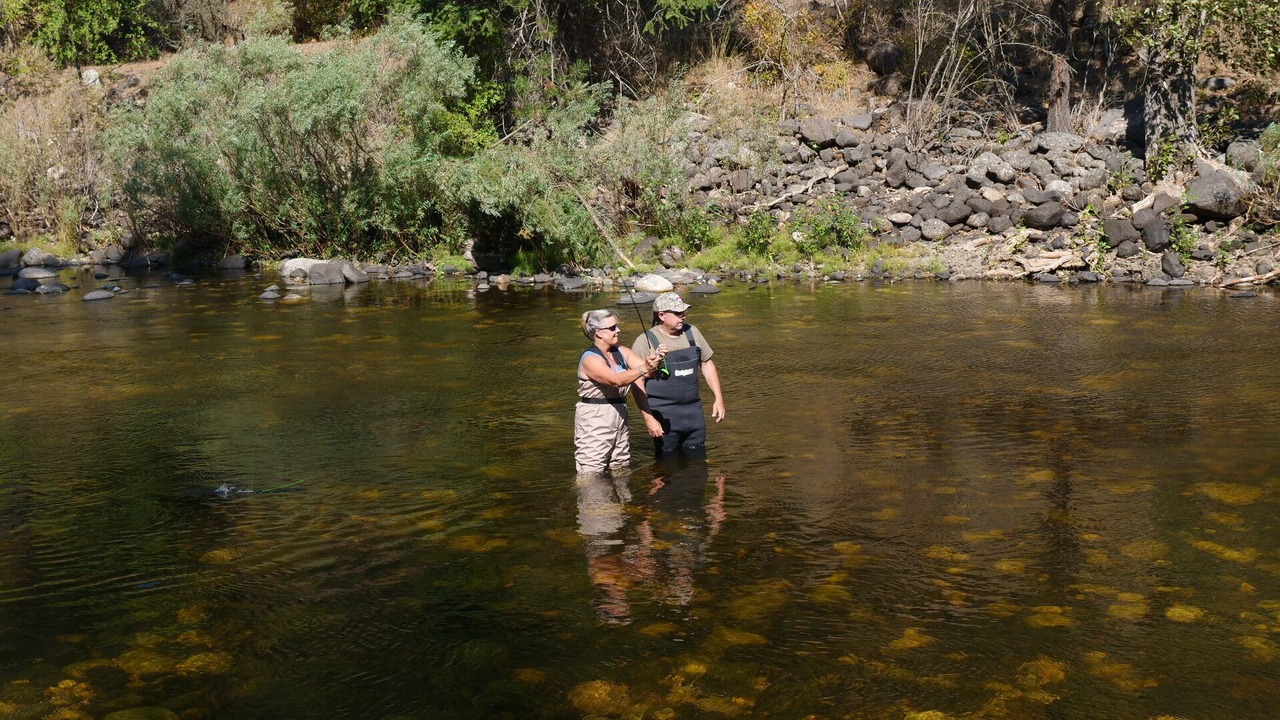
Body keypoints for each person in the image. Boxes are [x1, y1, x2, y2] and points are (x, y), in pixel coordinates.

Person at [631, 292, 725, 458]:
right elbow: (637, 381)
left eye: (683, 312)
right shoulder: (644, 341)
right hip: (664, 417)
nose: (683, 316)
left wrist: (718, 399)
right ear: (661, 315)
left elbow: (707, 364)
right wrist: (648, 419)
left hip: (694, 413)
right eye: (677, 313)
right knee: (667, 466)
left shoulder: (692, 332)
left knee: (699, 463)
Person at [574, 309, 666, 474]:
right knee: (592, 471)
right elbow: (616, 380)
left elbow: (648, 373)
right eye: (612, 328)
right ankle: (593, 500)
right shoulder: (590, 359)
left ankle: (621, 500)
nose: (618, 330)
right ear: (598, 333)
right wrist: (644, 367)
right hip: (595, 417)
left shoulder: (622, 351)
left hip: (620, 413)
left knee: (621, 466)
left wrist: (656, 359)